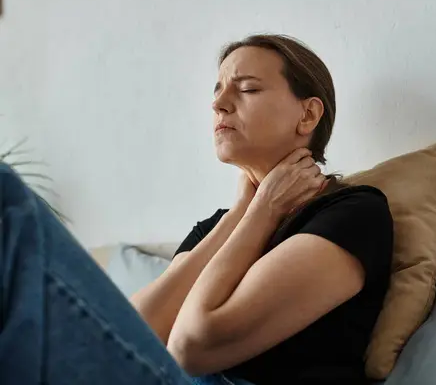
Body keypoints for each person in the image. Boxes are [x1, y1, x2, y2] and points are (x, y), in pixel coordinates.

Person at [0, 34, 393, 385]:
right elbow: (135, 334)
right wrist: (244, 211)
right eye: (218, 90)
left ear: (307, 114)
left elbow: (192, 346)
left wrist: (262, 212)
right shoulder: (217, 226)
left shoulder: (353, 213)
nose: (219, 104)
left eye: (248, 89)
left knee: (8, 201)